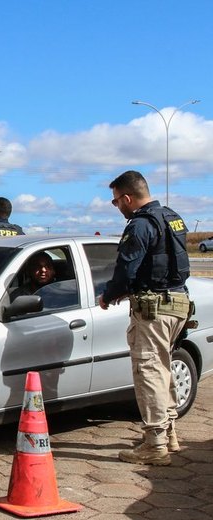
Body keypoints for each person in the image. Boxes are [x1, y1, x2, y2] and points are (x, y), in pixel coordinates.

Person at [98, 170, 192, 466]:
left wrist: (108, 295)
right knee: (163, 368)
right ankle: (170, 434)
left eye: (116, 202)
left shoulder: (139, 224)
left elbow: (126, 268)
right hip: (179, 303)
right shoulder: (171, 217)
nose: (117, 207)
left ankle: (155, 444)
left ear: (127, 198)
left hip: (153, 309)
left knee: (148, 371)